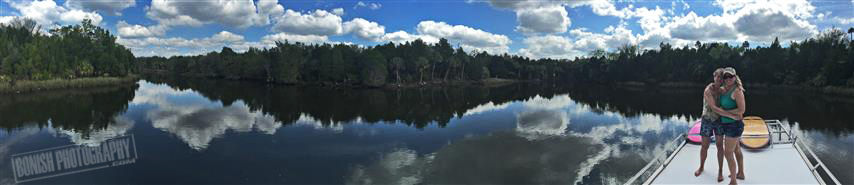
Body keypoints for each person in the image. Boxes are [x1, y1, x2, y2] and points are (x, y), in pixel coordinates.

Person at [695, 68, 735, 182]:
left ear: (723, 79)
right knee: (705, 146)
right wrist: (731, 115)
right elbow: (713, 107)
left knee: (719, 146)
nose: (718, 79)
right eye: (717, 76)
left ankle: (720, 171)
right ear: (714, 77)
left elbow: (729, 100)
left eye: (721, 77)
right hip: (707, 119)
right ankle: (701, 167)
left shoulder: (723, 90)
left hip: (718, 121)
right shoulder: (708, 90)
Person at [716, 67, 746, 185]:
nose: (728, 79)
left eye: (731, 76)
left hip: (733, 126)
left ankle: (733, 181)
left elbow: (742, 110)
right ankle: (740, 173)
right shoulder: (723, 90)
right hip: (728, 124)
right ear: (723, 78)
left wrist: (725, 112)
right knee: (736, 149)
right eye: (726, 77)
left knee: (728, 153)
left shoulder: (737, 91)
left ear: (735, 77)